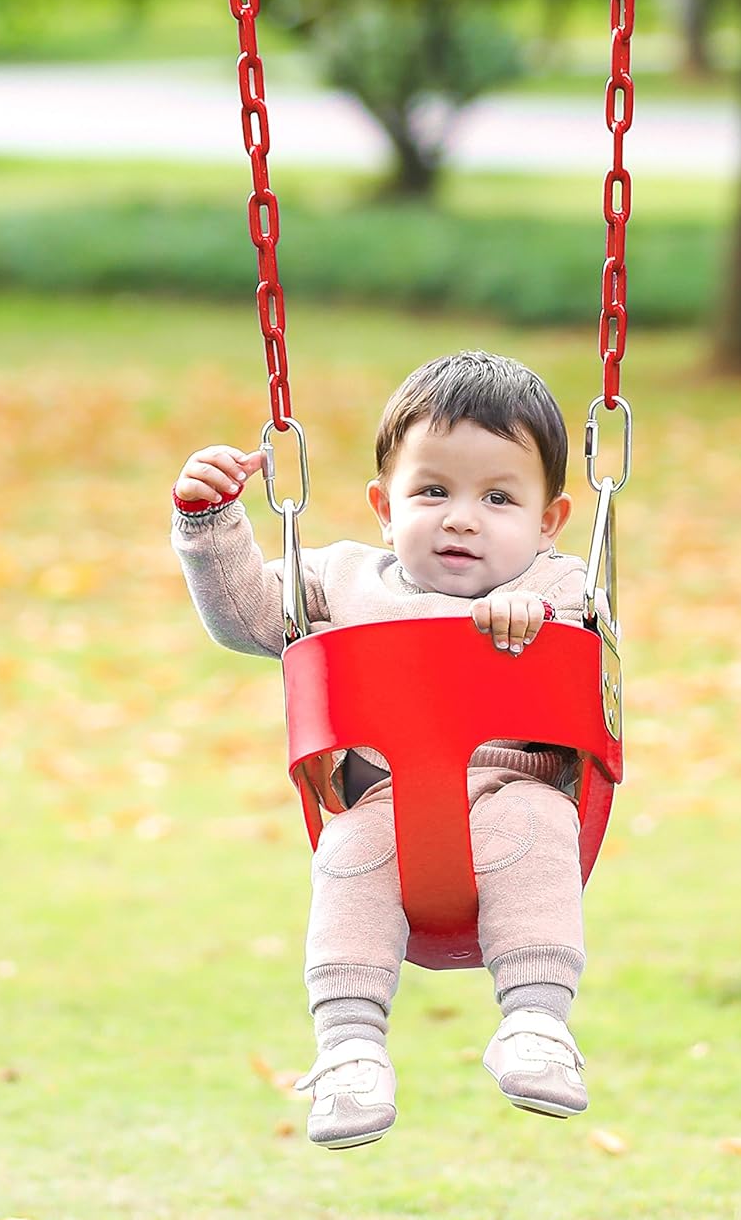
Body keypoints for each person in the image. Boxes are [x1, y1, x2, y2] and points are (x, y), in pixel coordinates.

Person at [171, 350, 594, 1149]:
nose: (462, 517)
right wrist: (211, 523)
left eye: (499, 498)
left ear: (548, 521)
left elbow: (577, 619)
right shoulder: (342, 580)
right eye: (432, 491)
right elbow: (248, 617)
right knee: (345, 858)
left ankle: (536, 1022)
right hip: (385, 807)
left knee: (541, 830)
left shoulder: (556, 586)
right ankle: (350, 1049)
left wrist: (530, 615)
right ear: (382, 504)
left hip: (513, 798)